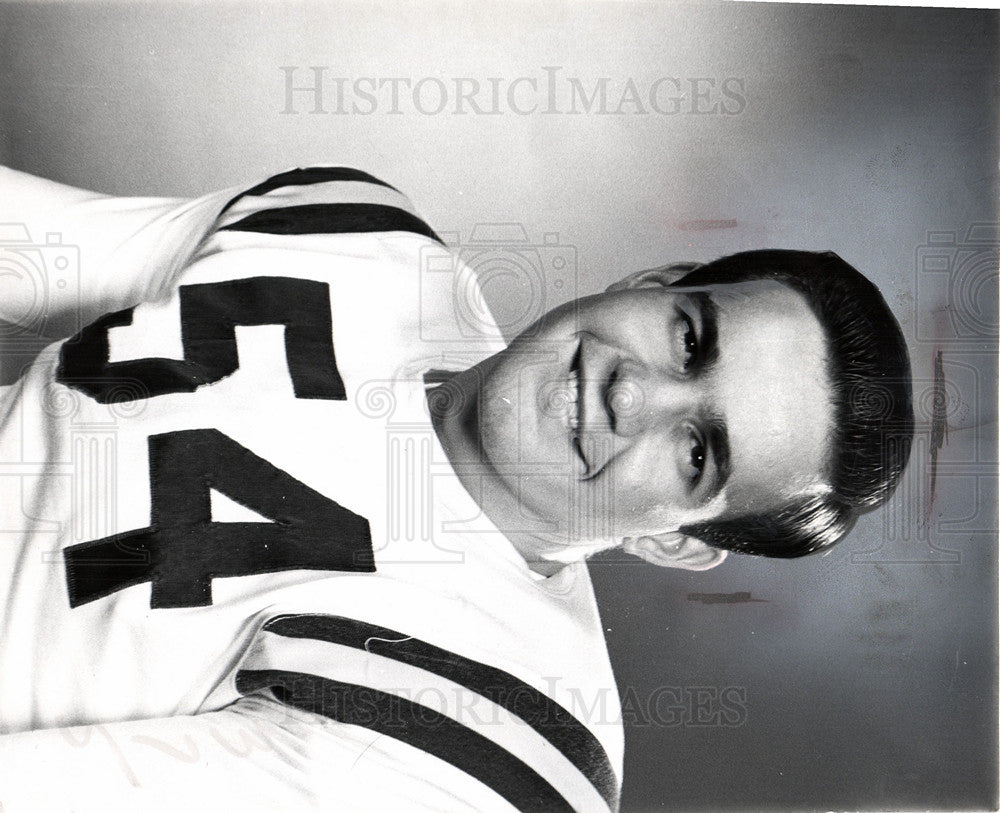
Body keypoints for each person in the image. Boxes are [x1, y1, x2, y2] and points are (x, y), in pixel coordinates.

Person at [0, 165, 912, 812]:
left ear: (676, 539)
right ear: (652, 282)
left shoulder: (502, 734)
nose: (636, 393)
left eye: (699, 452)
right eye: (689, 338)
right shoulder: (365, 232)